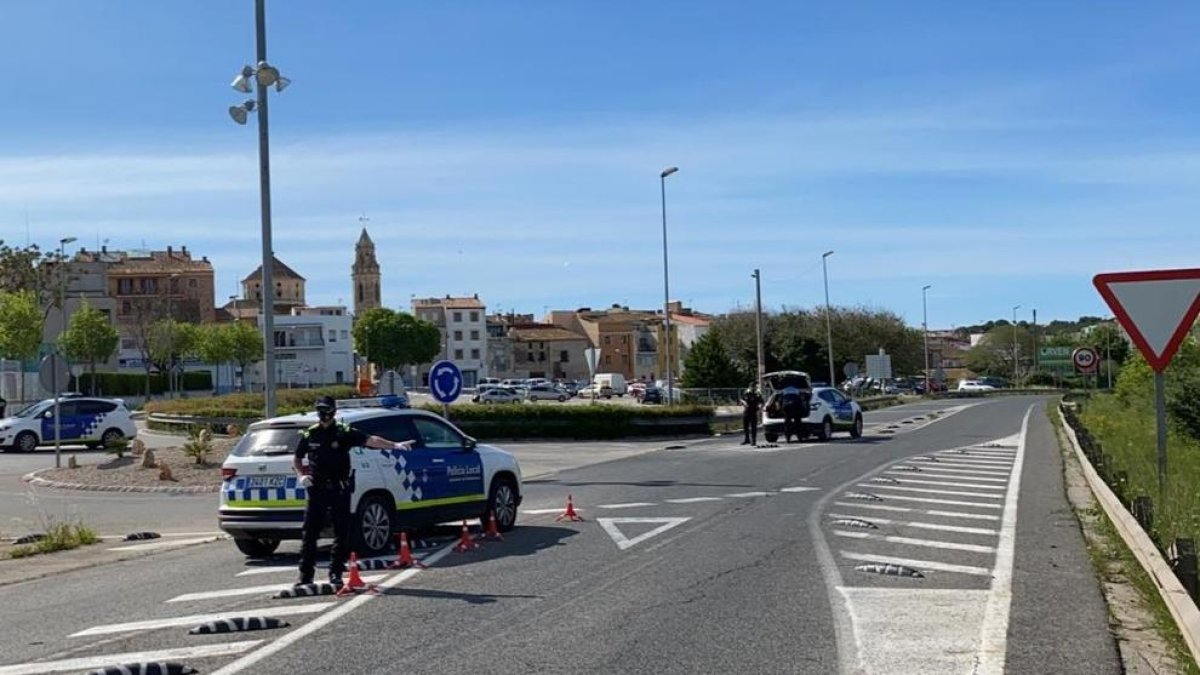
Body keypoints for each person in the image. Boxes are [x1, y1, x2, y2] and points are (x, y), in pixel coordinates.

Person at [293, 395, 416, 588]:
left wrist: (394, 445)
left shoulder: (343, 432)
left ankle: (336, 572)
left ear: (333, 412)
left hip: (340, 488)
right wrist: (302, 475)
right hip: (317, 489)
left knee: (342, 532)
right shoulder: (310, 434)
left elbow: (370, 440)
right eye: (320, 411)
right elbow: (298, 458)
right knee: (310, 532)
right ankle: (305, 576)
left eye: (326, 411)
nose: (323, 414)